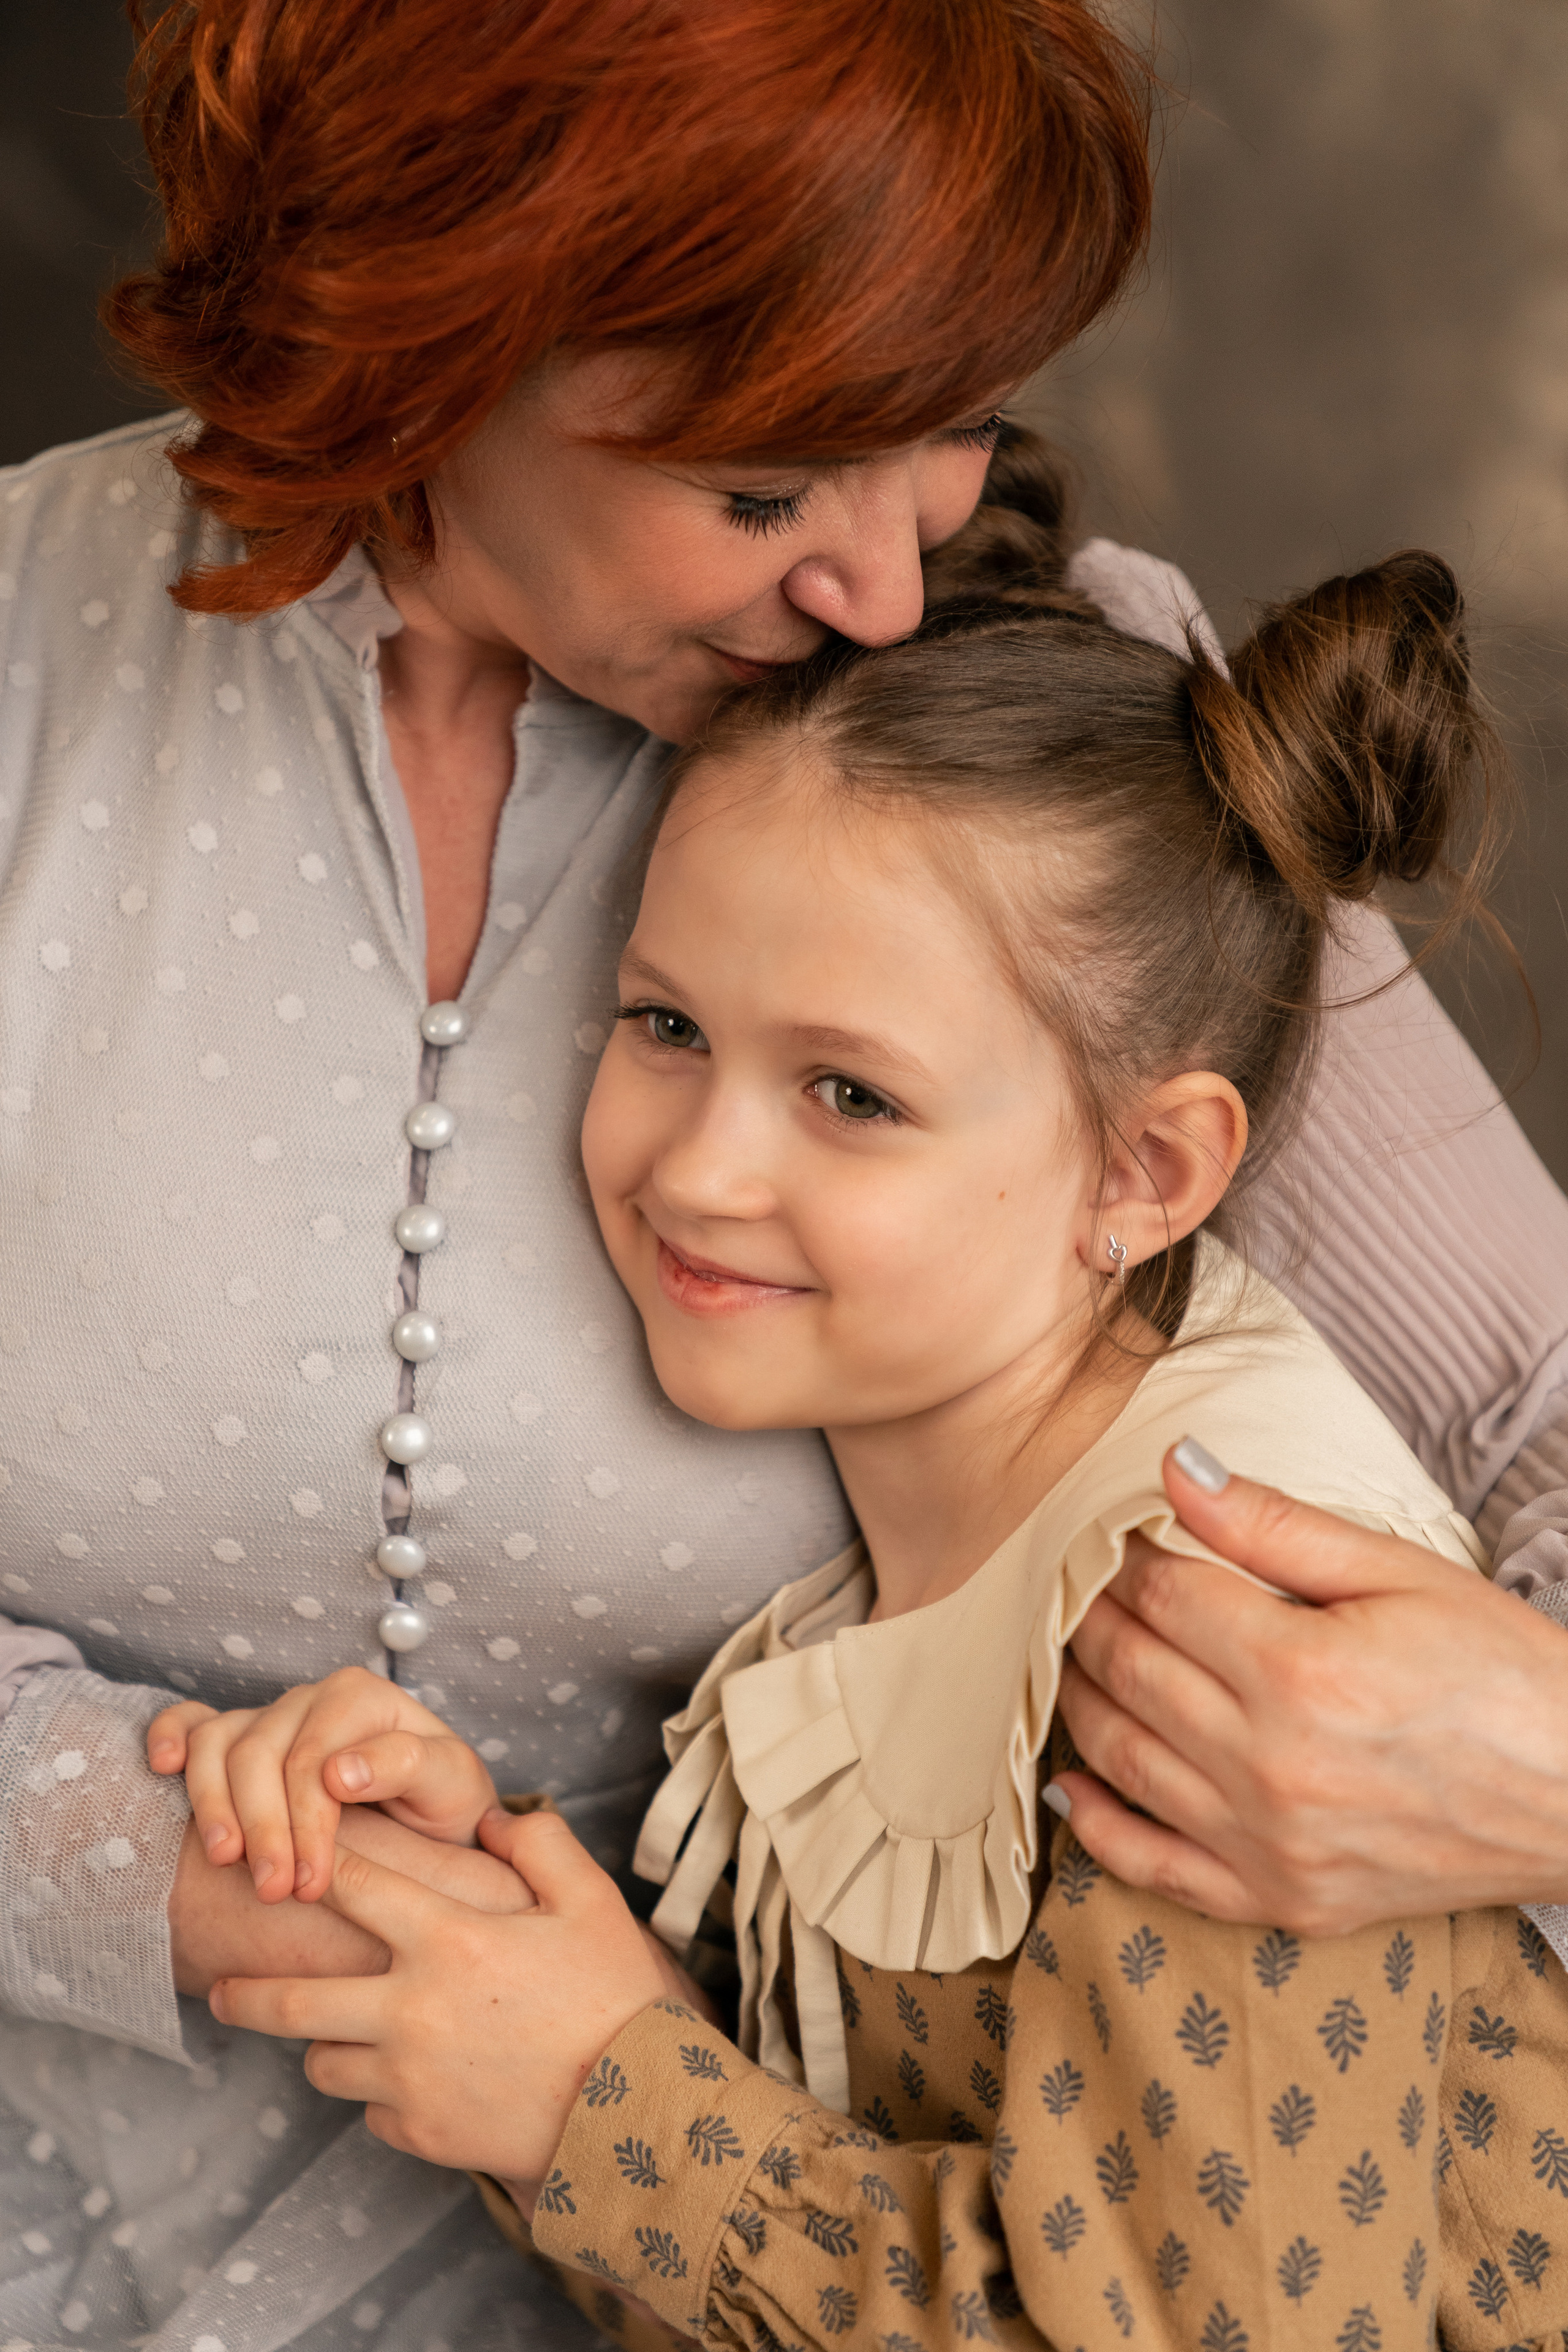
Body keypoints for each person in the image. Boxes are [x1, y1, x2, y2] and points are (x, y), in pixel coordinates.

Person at [1, 0, 1566, 2345]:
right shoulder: (27, 665)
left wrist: (1530, 1760)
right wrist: (194, 1860)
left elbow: (1538, 1415)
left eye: (941, 434)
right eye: (763, 487)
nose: (883, 594)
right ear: (428, 333)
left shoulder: (1035, 730)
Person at [181, 523, 1568, 2351]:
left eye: (852, 1093)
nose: (699, 1168)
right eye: (666, 1024)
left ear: (1145, 1173)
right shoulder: (944, 1538)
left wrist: (604, 2097)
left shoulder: (1211, 1658)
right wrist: (503, 1922)